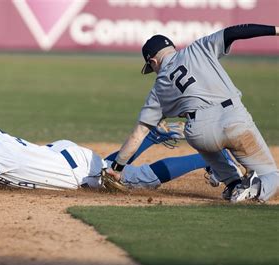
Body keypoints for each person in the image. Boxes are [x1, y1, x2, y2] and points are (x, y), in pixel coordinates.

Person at [105, 24, 279, 203]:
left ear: (153, 62)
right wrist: (275, 30)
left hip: (199, 133)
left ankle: (234, 185)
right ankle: (253, 188)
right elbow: (235, 32)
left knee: (207, 148)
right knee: (272, 175)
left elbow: (138, 134)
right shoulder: (199, 48)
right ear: (172, 48)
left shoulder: (158, 88)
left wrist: (117, 169)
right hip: (233, 120)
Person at [0, 99, 234, 192]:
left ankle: (209, 158)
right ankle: (150, 136)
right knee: (108, 167)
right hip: (62, 154)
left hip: (76, 171)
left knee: (137, 180)